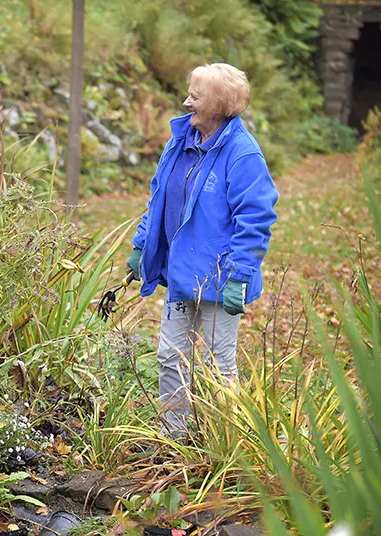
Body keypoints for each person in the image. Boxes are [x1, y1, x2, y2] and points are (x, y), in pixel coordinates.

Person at [126, 63, 279, 438]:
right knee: (170, 358)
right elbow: (157, 199)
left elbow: (256, 219)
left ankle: (222, 443)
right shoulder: (179, 142)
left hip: (219, 278)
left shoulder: (243, 154)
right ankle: (173, 439)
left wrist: (239, 276)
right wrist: (141, 245)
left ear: (218, 104)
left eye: (195, 96)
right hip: (182, 276)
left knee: (216, 366)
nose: (186, 101)